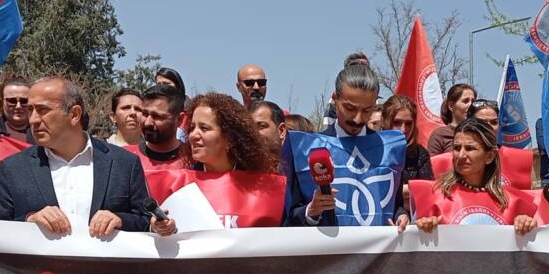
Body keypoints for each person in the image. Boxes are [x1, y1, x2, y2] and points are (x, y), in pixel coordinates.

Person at [0, 76, 161, 236]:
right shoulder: (13, 169)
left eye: (42, 110)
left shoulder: (124, 164)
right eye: (30, 110)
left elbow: (147, 222)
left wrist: (120, 220)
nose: (33, 120)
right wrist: (29, 221)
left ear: (74, 114)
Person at [289, 62, 408, 229]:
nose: (358, 119)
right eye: (350, 108)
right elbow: (289, 215)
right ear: (335, 99)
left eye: (367, 110)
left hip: (378, 252)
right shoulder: (308, 148)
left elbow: (396, 203)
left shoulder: (389, 148)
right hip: (328, 252)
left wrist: (401, 215)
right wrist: (312, 210)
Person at [147, 93, 287, 228]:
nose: (193, 135)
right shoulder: (176, 184)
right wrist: (157, 226)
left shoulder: (266, 187)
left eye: (204, 128)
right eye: (192, 128)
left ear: (229, 138)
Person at [411, 120, 536, 229]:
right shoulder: (434, 195)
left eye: (470, 148)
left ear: (489, 156)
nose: (460, 155)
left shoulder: (513, 202)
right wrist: (422, 226)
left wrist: (528, 225)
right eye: (457, 148)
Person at [430, 98, 534, 190]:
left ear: (489, 157)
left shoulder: (520, 159)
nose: (490, 127)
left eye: (494, 122)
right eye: (482, 122)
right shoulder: (442, 163)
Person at [130, 83, 187, 176]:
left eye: (157, 116)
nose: (148, 123)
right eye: (144, 114)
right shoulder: (124, 157)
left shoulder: (195, 162)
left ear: (179, 120)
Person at [381, 94, 432, 181]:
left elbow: (426, 189)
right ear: (384, 121)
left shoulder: (420, 154)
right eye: (396, 122)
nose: (403, 130)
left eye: (408, 123)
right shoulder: (371, 150)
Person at [426, 84, 475, 156]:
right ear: (451, 106)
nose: (471, 105)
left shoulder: (479, 133)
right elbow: (434, 164)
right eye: (465, 101)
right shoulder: (440, 135)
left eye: (473, 101)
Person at [0, 76, 33, 142]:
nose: (18, 106)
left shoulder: (44, 135)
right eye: (12, 101)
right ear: (1, 102)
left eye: (24, 101)